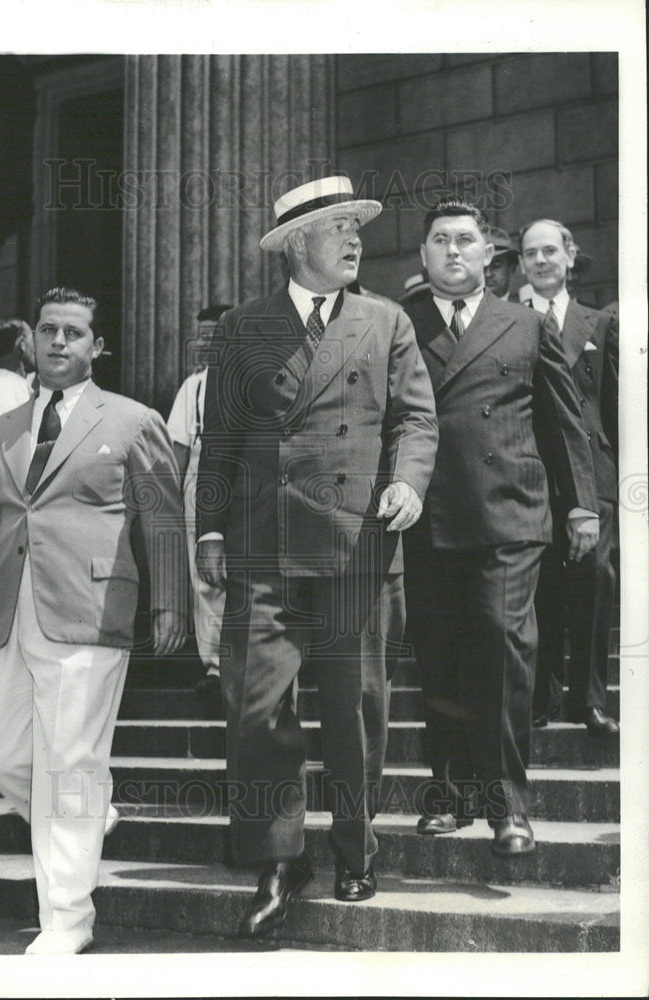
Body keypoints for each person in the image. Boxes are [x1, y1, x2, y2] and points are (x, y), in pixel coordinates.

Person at [196, 175, 438, 936]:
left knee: (356, 709)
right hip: (262, 546)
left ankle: (355, 849)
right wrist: (209, 529)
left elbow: (415, 419)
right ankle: (278, 860)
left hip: (357, 543)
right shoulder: (244, 326)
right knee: (255, 707)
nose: (354, 238)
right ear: (298, 243)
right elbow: (221, 436)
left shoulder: (386, 320)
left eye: (357, 227)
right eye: (338, 227)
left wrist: (407, 482)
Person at [0, 286, 187, 955]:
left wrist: (170, 601)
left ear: (96, 346)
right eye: (47, 329)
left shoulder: (132, 420)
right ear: (31, 340)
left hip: (90, 610)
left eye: (72, 332)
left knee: (71, 763)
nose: (57, 341)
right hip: (5, 611)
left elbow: (164, 517)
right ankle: (87, 811)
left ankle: (68, 921)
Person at [402, 198, 598, 858]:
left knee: (501, 644)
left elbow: (562, 421)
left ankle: (508, 804)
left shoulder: (524, 323)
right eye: (440, 240)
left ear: (488, 255)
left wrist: (580, 503)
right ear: (423, 254)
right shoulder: (398, 325)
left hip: (510, 512)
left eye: (465, 240)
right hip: (428, 517)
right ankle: (448, 792)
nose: (453, 250)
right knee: (439, 657)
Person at [519, 219, 619, 735]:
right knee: (540, 587)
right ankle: (541, 697)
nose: (540, 261)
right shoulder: (510, 323)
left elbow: (614, 406)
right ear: (521, 264)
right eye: (531, 253)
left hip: (594, 474)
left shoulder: (598, 324)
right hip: (535, 473)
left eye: (550, 251)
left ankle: (590, 699)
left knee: (595, 582)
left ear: (570, 256)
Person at [166, 304, 232, 716]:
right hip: (202, 477)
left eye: (216, 335)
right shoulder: (194, 387)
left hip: (250, 481)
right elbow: (178, 449)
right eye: (203, 336)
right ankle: (216, 667)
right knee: (207, 579)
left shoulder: (255, 378)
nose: (208, 344)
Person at [0, 317, 36, 415]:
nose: (35, 347)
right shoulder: (4, 391)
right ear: (22, 342)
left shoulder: (13, 387)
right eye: (32, 339)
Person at [483, 226, 520, 302]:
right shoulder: (463, 307)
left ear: (512, 269)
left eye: (496, 266)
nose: (488, 274)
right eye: (483, 266)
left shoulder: (524, 307)